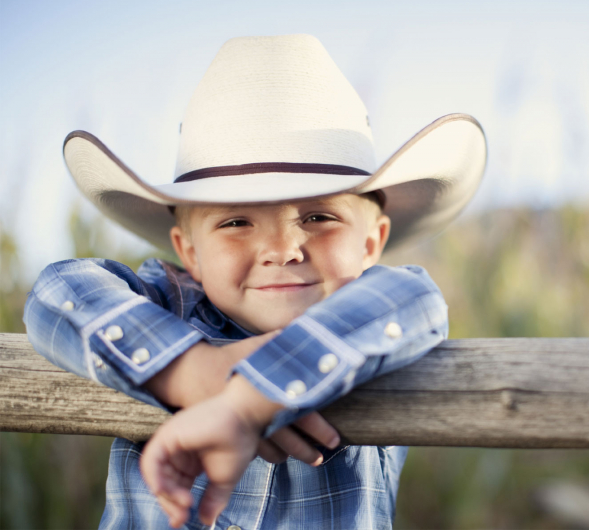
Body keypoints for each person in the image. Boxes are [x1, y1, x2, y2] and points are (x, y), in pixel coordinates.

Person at [24, 34, 486, 529]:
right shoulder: (167, 305)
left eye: (318, 217)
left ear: (371, 244)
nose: (282, 249)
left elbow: (417, 299)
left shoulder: (378, 323)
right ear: (190, 253)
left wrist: (245, 404)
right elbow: (58, 291)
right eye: (236, 222)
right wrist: (196, 371)